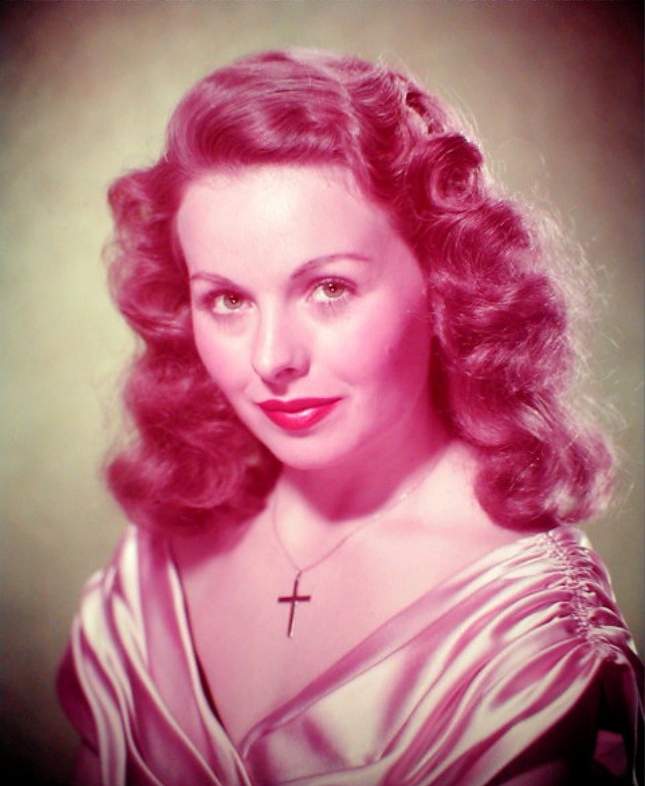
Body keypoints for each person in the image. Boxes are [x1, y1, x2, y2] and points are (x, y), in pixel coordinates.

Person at [57, 49, 643, 786]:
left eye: (329, 288)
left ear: (443, 281)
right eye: (227, 300)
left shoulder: (529, 629)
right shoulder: (157, 560)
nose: (272, 358)